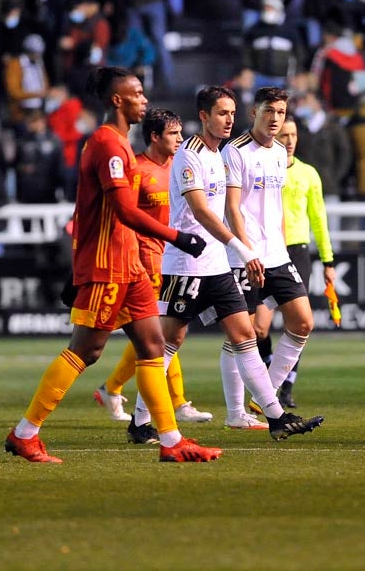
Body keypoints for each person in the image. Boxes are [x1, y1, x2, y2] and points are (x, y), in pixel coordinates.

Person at [4, 67, 220, 464]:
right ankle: (25, 433)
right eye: (136, 93)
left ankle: (171, 441)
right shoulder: (107, 144)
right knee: (86, 350)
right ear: (117, 100)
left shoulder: (119, 143)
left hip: (130, 263)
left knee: (154, 345)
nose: (144, 99)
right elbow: (122, 208)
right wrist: (177, 237)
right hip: (108, 263)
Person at [129, 85, 324, 439]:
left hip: (218, 264)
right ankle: (140, 419)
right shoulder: (190, 155)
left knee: (245, 335)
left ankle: (276, 417)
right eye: (222, 113)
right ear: (204, 116)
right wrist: (244, 248)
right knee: (168, 343)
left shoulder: (220, 154)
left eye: (232, 113)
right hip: (187, 264)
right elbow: (202, 211)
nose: (229, 119)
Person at [93, 108, 213, 427]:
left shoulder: (181, 167)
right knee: (161, 335)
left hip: (177, 259)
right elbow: (124, 215)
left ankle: (113, 388)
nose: (180, 139)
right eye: (173, 133)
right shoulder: (137, 169)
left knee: (161, 336)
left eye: (180, 132)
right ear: (154, 136)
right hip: (144, 261)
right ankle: (174, 402)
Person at [220, 87, 321, 424]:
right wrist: (247, 252)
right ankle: (236, 412)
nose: (275, 118)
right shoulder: (235, 151)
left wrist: (276, 245)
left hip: (277, 255)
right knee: (244, 333)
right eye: (269, 111)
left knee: (303, 322)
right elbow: (231, 207)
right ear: (255, 112)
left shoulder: (280, 152)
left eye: (280, 112)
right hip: (243, 257)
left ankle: (264, 397)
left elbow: (274, 208)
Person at [255, 114, 336, 409]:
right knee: (259, 328)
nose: (289, 141)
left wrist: (328, 261)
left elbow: (319, 220)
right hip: (265, 250)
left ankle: (285, 387)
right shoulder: (263, 167)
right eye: (284, 135)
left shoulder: (308, 174)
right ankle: (265, 377)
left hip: (297, 252)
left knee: (296, 322)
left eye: (293, 135)